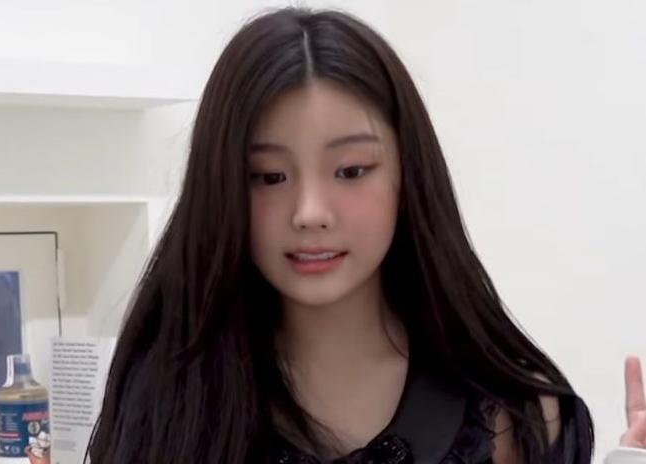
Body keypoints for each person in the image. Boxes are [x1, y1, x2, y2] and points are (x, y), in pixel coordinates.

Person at [87, 7, 645, 464]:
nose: (309, 213)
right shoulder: (168, 405)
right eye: (268, 177)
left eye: (351, 170)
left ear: (408, 176)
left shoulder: (514, 418)